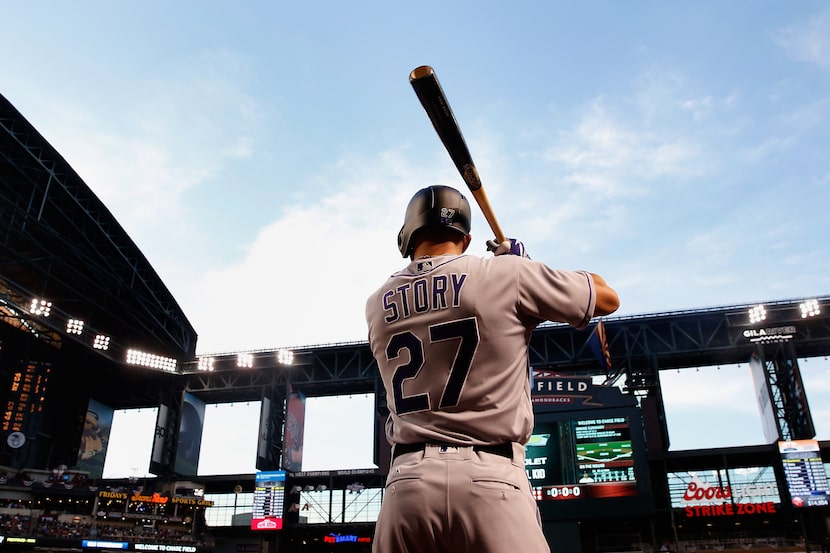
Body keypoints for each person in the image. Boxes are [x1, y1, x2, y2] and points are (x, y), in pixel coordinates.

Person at [365, 185, 620, 553]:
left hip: (407, 483)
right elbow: (607, 297)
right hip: (492, 479)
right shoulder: (507, 275)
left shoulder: (376, 304)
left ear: (407, 235)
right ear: (466, 239)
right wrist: (527, 268)